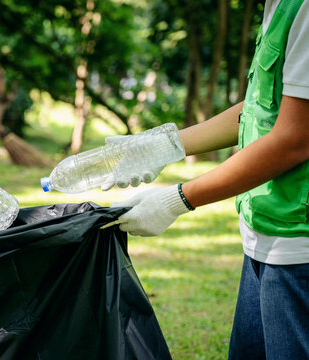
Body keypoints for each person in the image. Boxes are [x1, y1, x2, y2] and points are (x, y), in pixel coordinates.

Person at [107, 0, 309, 359]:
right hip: (266, 232)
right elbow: (266, 107)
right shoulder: (278, 6)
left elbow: (295, 138)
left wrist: (177, 199)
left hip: (300, 246)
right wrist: (164, 146)